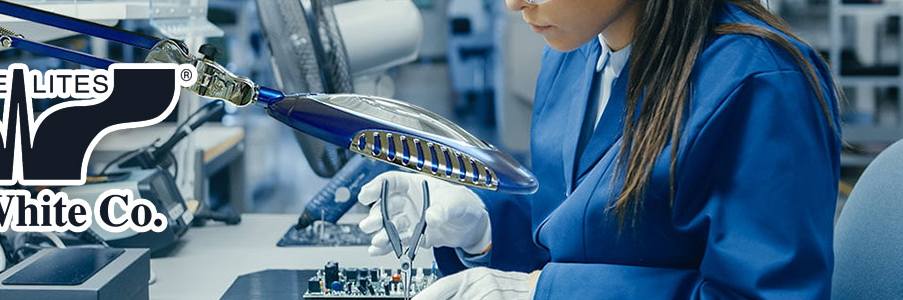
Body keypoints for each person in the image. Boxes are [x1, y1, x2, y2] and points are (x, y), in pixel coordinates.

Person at [358, 0, 842, 298]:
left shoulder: (762, 84)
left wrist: (544, 294)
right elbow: (576, 233)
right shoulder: (574, 57)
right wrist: (483, 229)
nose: (513, 3)